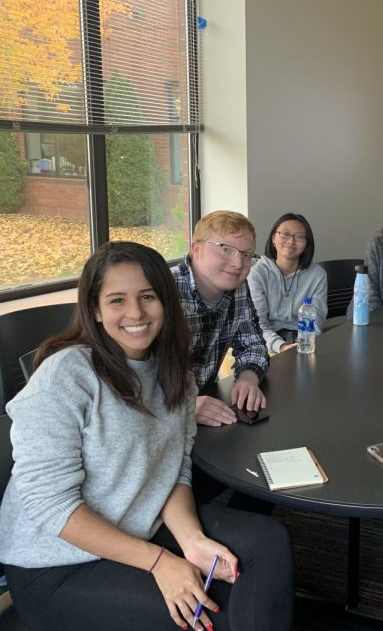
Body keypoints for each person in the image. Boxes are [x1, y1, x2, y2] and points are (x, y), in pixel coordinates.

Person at [0, 242, 294, 630]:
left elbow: (173, 473)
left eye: (147, 297)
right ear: (95, 310)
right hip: (58, 562)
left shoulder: (176, 376)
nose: (135, 313)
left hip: (139, 523)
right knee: (211, 610)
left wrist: (190, 541)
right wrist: (159, 562)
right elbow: (53, 507)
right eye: (117, 300)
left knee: (268, 543)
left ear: (166, 302)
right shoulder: (66, 375)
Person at [171, 210, 269, 427]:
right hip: (161, 419)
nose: (237, 263)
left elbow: (252, 343)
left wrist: (248, 377)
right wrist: (184, 407)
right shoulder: (163, 291)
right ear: (196, 249)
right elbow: (138, 377)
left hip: (210, 406)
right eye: (226, 249)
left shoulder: (238, 287)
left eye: (246, 254)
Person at [248, 213, 327, 353]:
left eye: (299, 237)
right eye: (285, 234)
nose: (291, 241)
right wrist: (281, 346)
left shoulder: (317, 275)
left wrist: (305, 345)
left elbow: (316, 321)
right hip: (267, 342)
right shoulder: (257, 273)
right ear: (273, 238)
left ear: (306, 243)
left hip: (305, 342)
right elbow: (258, 323)